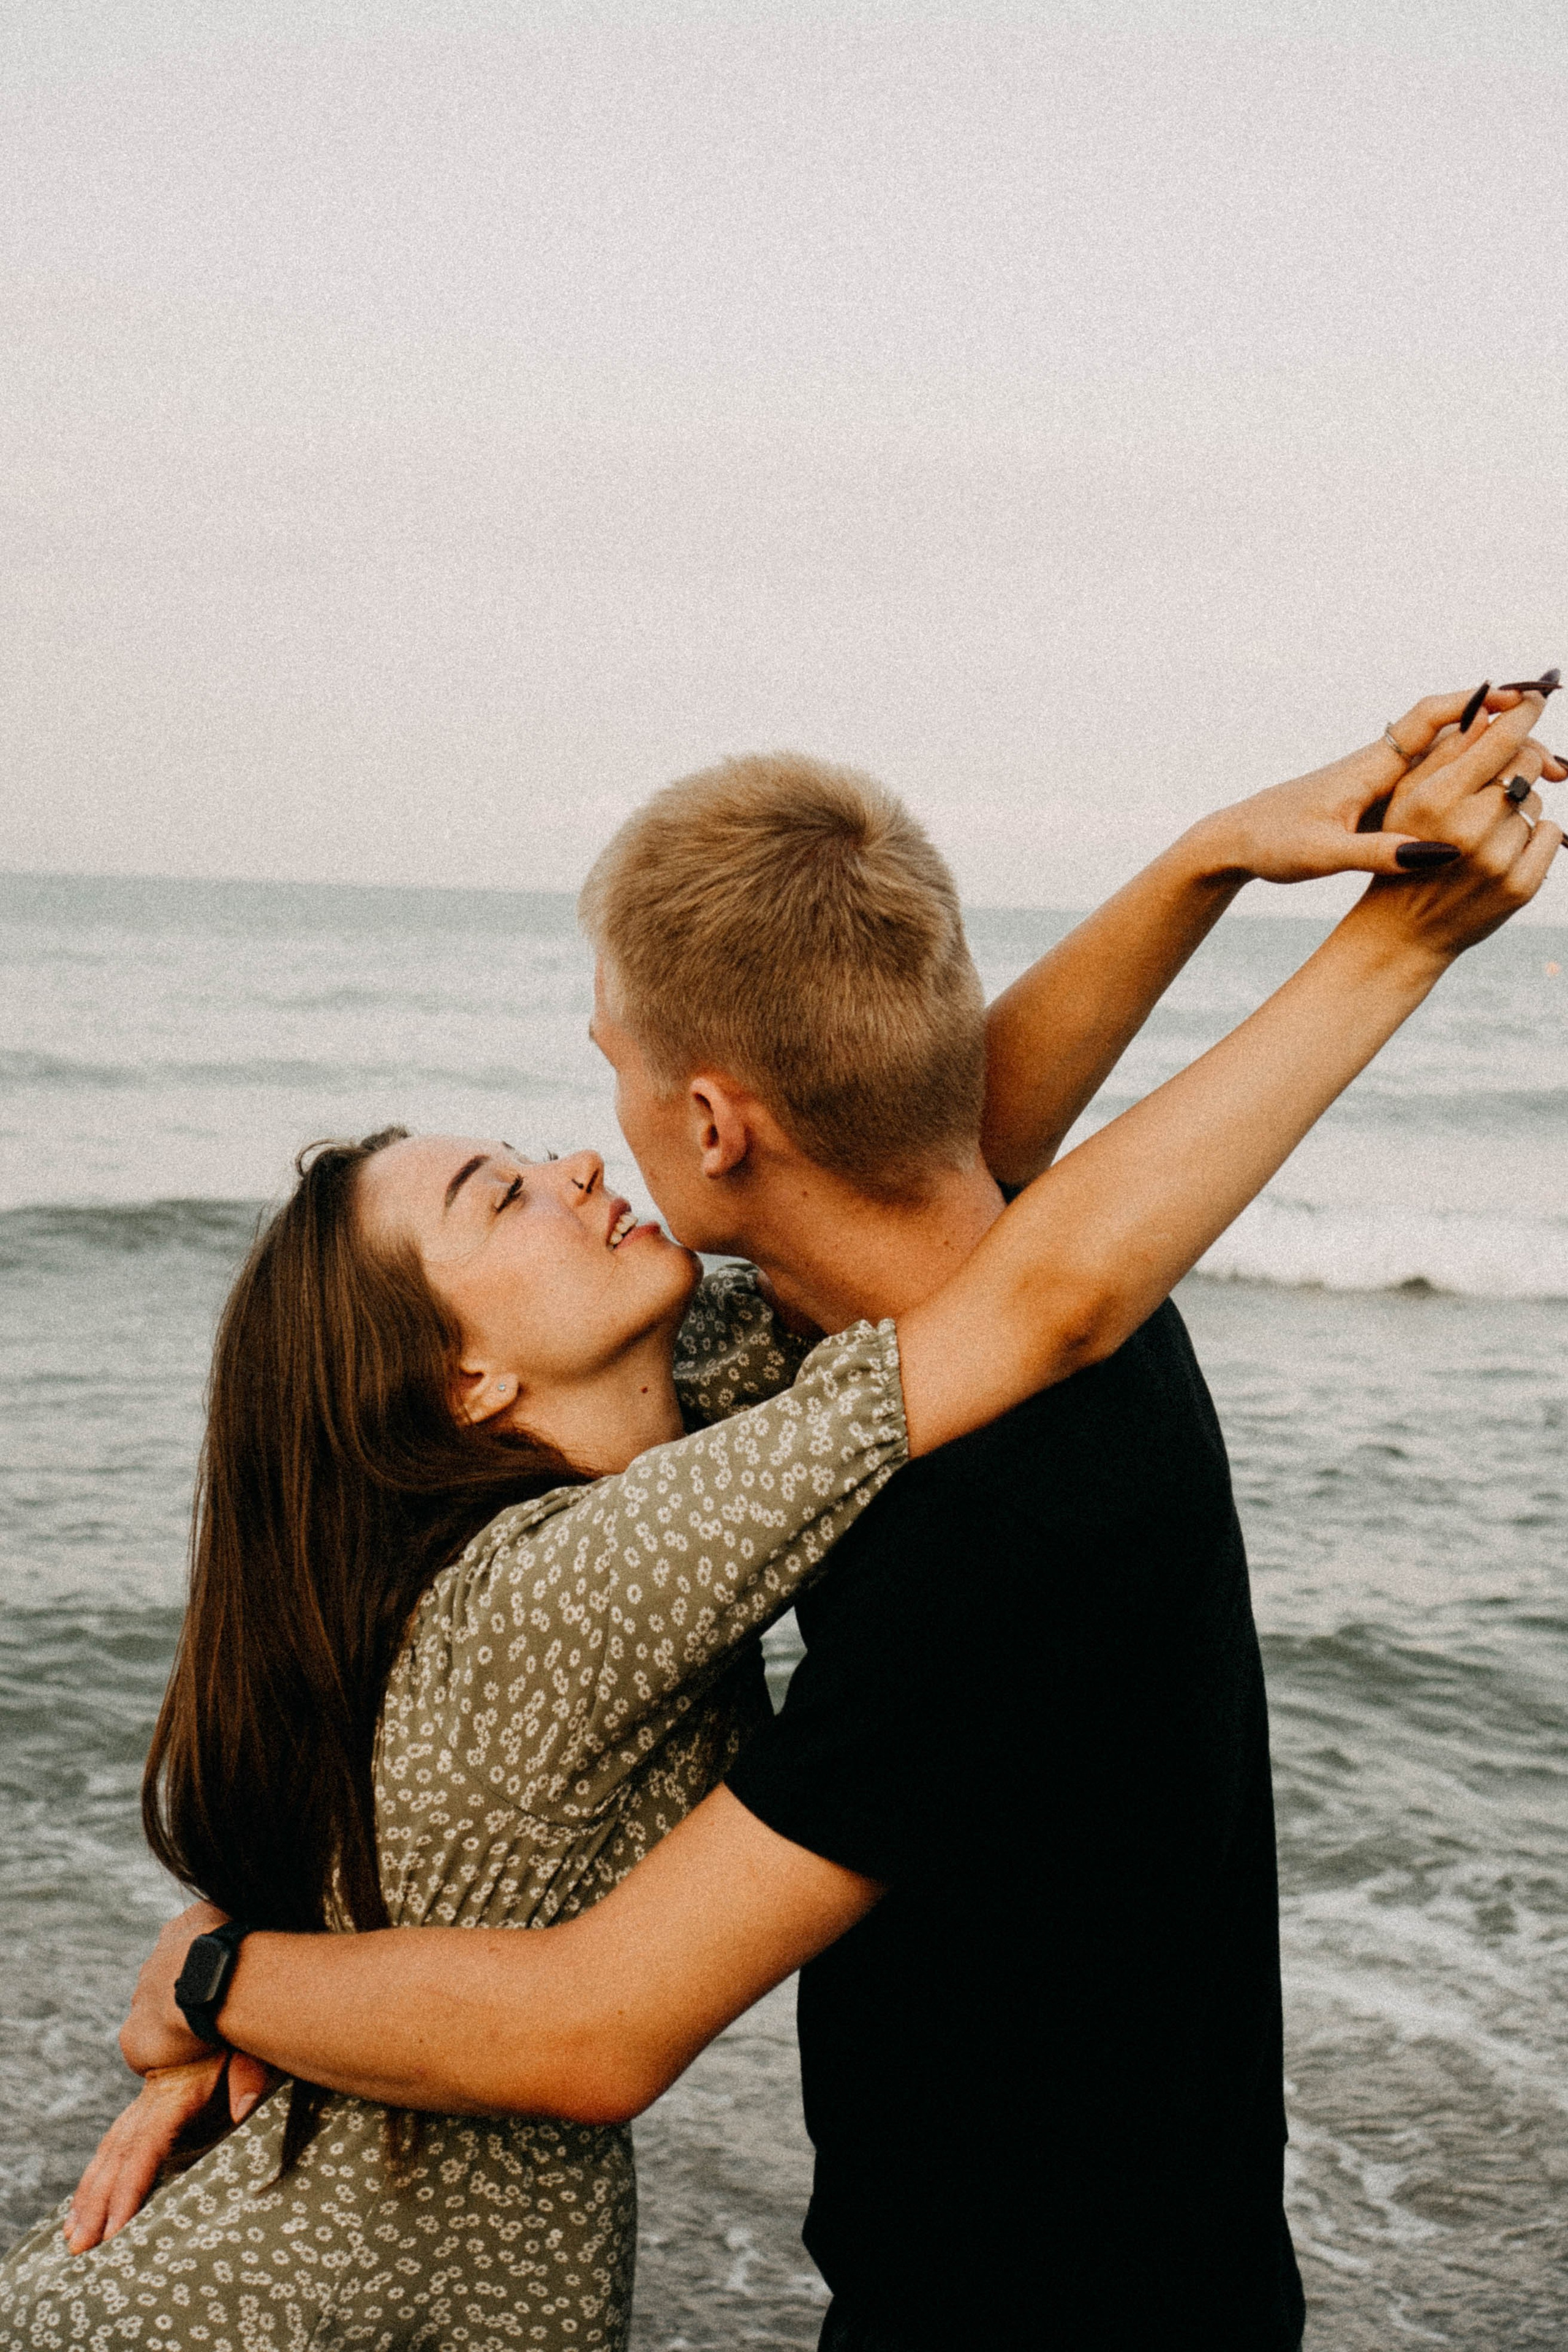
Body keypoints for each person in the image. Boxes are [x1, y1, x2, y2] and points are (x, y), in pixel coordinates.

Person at [8, 688, 1559, 2352]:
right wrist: (1243, 876)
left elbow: (600, 2026)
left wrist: (210, 1976)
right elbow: (985, 1202)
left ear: (709, 1124)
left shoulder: (929, 1451)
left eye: (599, 1083)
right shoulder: (876, 1369)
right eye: (507, 1188)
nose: (581, 1157)